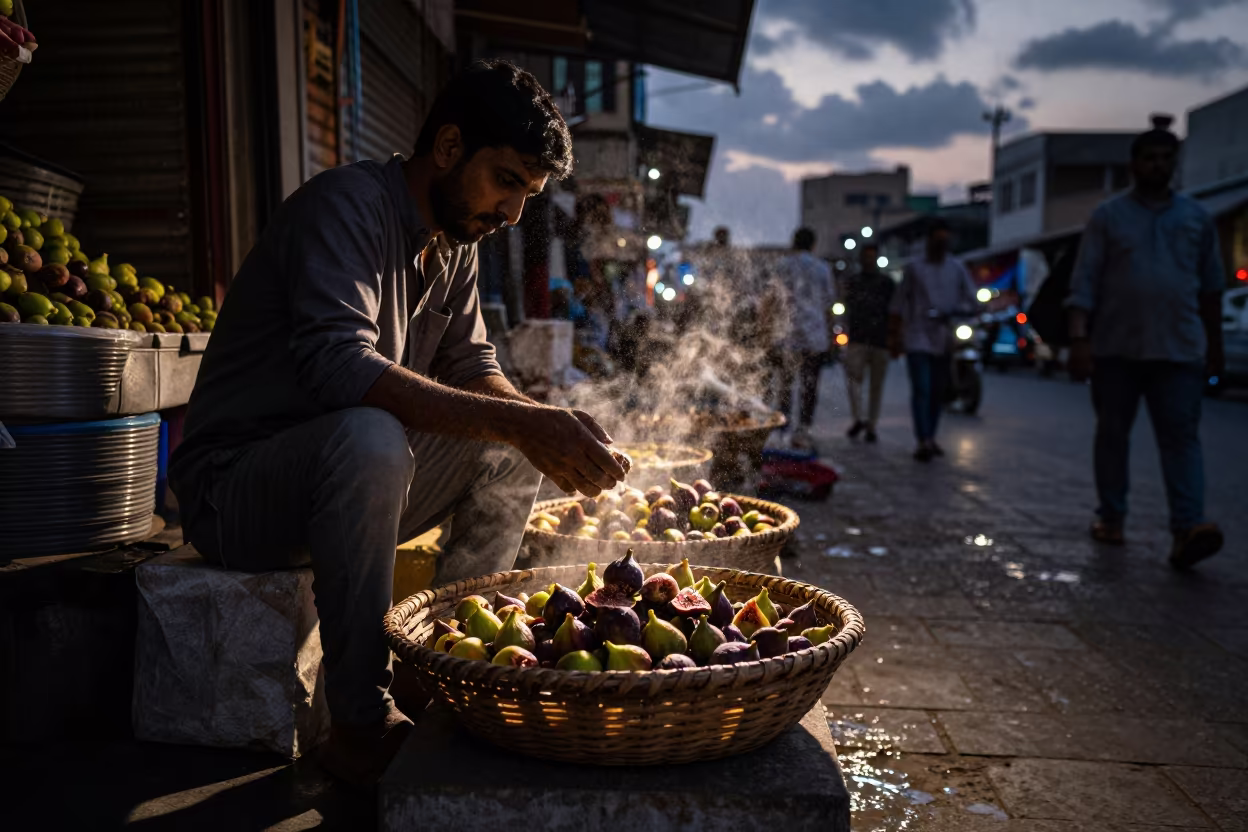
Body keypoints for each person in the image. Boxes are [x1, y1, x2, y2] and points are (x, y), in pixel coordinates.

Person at [169, 61, 627, 783]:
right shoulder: (344, 207)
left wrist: (545, 424)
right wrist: (522, 423)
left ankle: (446, 679)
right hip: (237, 492)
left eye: (527, 196)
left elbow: (474, 365)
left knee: (510, 448)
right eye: (507, 181)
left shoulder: (457, 240)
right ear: (448, 148)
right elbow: (338, 369)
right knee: (372, 433)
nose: (512, 214)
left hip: (346, 486)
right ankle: (361, 717)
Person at [1066, 115, 1225, 569]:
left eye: (1166, 159)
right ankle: (1111, 516)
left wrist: (1213, 346)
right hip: (1116, 349)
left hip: (1179, 349)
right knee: (1113, 434)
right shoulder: (1109, 217)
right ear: (1134, 164)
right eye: (1149, 159)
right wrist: (1080, 341)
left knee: (1181, 438)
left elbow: (1211, 288)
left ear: (1175, 164)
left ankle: (1188, 526)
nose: (1158, 166)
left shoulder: (1196, 218)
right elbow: (1085, 282)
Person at [889, 219, 977, 461]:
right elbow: (897, 304)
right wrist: (895, 337)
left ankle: (931, 435)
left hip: (944, 337)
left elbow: (973, 301)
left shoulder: (957, 269)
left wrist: (957, 311)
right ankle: (923, 439)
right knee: (922, 389)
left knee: (938, 390)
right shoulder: (914, 269)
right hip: (917, 336)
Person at [770, 227, 836, 448]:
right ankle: (803, 429)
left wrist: (768, 332)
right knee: (810, 385)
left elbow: (773, 301)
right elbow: (829, 304)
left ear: (793, 243)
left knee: (786, 385)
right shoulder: (822, 268)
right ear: (813, 244)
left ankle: (782, 429)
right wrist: (832, 335)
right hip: (814, 338)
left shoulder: (782, 266)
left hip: (787, 336)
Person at [843, 241, 895, 443]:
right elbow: (845, 307)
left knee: (876, 386)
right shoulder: (853, 282)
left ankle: (871, 424)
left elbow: (894, 310)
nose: (869, 260)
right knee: (853, 380)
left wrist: (893, 337)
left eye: (872, 256)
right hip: (857, 338)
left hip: (880, 340)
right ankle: (859, 419)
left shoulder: (886, 283)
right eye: (866, 256)